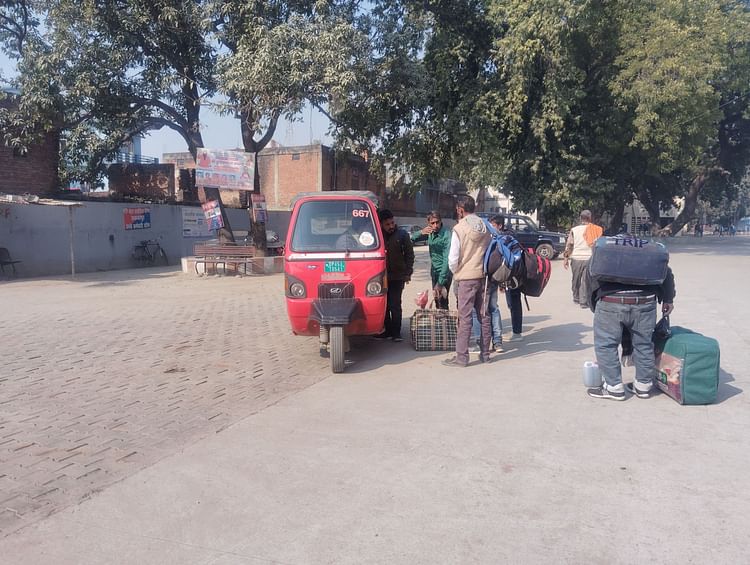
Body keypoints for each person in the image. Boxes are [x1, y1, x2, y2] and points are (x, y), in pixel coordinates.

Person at [586, 256, 676, 401]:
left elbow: (590, 275)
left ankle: (614, 387)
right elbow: (667, 273)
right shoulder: (646, 253)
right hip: (645, 301)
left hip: (610, 301)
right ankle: (643, 386)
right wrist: (668, 299)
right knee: (644, 344)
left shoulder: (605, 251)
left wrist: (593, 303)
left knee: (606, 345)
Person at [442, 195, 492, 367]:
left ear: (460, 209)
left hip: (466, 278)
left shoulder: (459, 228)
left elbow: (453, 259)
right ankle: (485, 354)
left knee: (465, 318)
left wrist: (456, 272)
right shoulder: (485, 226)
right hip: (483, 276)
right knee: (484, 316)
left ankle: (462, 357)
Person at [375, 209, 414, 342]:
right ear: (380, 224)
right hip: (381, 278)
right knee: (383, 305)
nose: (391, 226)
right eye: (387, 224)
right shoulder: (377, 236)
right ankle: (387, 331)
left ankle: (396, 333)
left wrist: (408, 272)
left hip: (398, 277)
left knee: (395, 304)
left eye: (392, 223)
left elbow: (409, 255)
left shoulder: (402, 235)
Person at [412, 211, 452, 309]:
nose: (435, 225)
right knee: (437, 300)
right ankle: (440, 323)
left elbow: (446, 259)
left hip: (444, 272)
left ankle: (445, 323)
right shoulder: (430, 232)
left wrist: (440, 282)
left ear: (441, 221)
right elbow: (412, 239)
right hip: (434, 271)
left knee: (443, 301)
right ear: (428, 223)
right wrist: (421, 232)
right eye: (432, 223)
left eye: (437, 222)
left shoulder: (446, 234)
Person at [563, 210, 602, 309]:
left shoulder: (574, 230)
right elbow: (599, 245)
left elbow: (569, 245)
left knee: (575, 279)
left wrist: (566, 258)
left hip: (576, 258)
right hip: (589, 258)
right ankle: (583, 301)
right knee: (585, 280)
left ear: (580, 218)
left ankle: (577, 297)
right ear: (590, 218)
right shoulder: (596, 229)